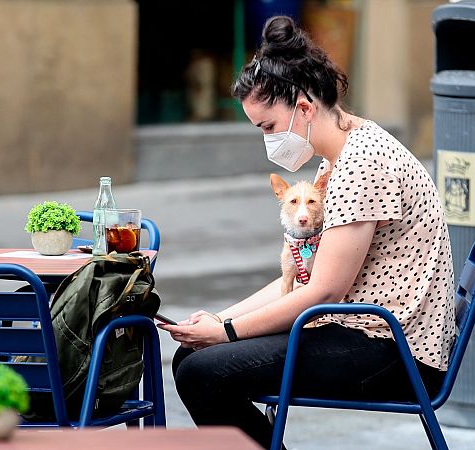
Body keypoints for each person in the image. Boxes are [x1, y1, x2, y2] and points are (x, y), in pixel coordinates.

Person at [158, 16, 455, 449]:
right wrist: (221, 320)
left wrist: (226, 332)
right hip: (363, 331)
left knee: (204, 371)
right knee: (192, 357)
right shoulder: (342, 155)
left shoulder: (362, 164)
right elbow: (297, 279)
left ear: (303, 108)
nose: (268, 141)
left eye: (269, 127)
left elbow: (322, 293)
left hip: (392, 352)